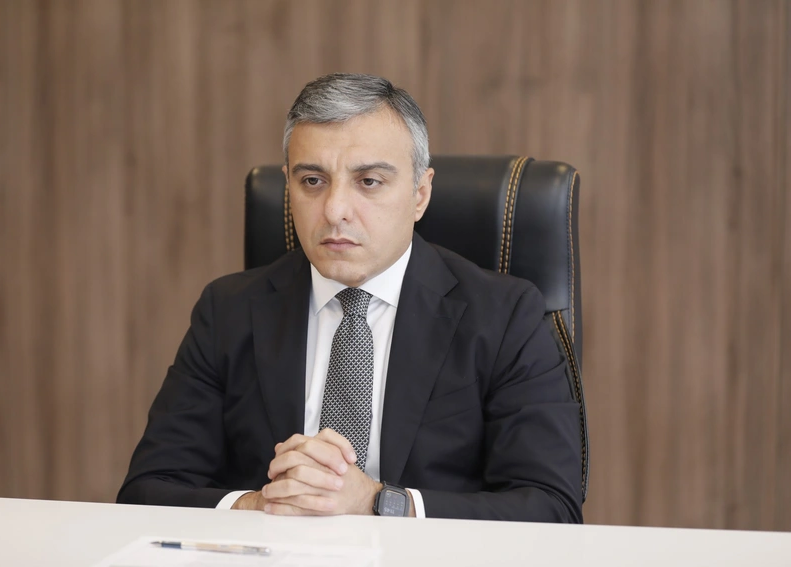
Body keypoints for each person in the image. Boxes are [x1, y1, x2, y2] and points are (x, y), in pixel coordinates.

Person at [117, 73, 583, 522]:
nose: (335, 210)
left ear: (420, 194)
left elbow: (550, 508)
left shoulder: (504, 315)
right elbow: (147, 491)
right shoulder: (228, 311)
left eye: (369, 182)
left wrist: (380, 503)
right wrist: (259, 505)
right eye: (312, 181)